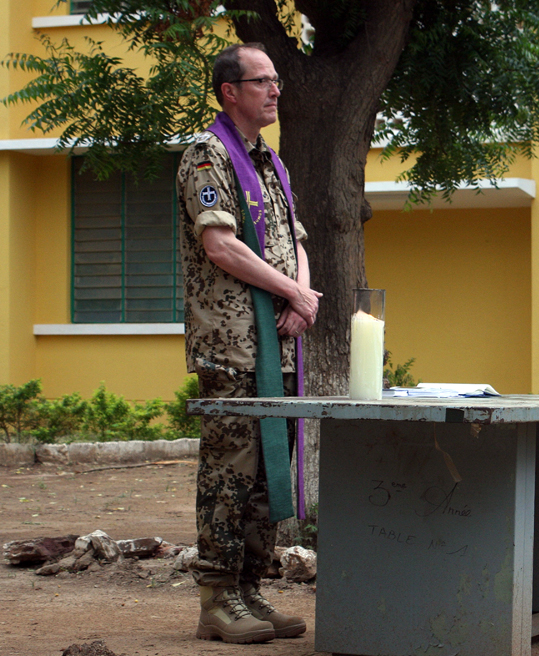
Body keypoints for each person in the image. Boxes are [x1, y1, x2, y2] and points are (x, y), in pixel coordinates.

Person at [177, 42, 321, 644]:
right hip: (234, 346)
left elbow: (298, 241)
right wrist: (294, 291)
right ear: (230, 92)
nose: (275, 90)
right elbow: (221, 247)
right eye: (262, 81)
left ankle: (250, 591)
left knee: (266, 474)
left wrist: (301, 299)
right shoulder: (208, 156)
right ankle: (217, 598)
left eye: (277, 79)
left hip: (278, 346)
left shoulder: (272, 164)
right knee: (230, 472)